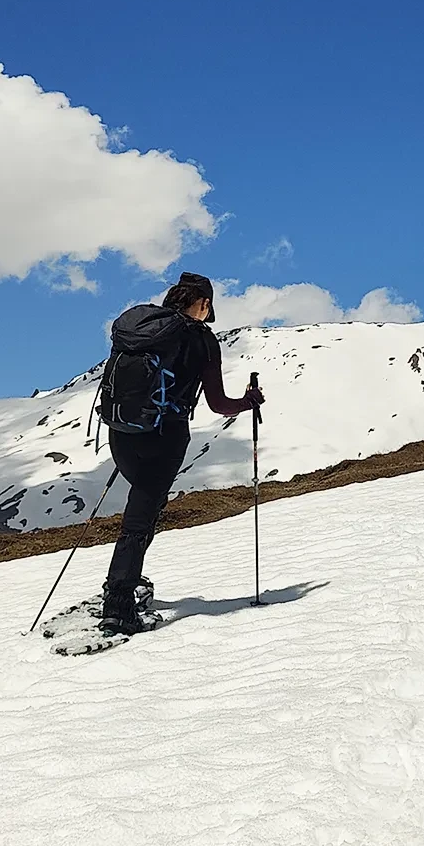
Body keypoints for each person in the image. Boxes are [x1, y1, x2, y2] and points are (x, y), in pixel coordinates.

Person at [96, 272, 263, 634]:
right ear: (203, 304)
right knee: (139, 520)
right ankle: (118, 603)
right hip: (165, 436)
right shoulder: (202, 340)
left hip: (121, 431)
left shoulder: (141, 327)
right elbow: (219, 404)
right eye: (208, 307)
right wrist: (248, 402)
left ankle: (128, 579)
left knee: (147, 507)